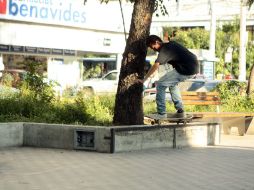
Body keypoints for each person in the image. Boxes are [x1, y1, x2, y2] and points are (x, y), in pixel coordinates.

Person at [139, 35, 199, 118]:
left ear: (157, 42)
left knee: (160, 84)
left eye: (151, 46)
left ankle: (161, 113)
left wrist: (144, 79)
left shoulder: (165, 50)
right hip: (192, 67)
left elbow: (156, 65)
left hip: (187, 69)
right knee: (172, 84)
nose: (152, 48)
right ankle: (180, 110)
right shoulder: (170, 45)